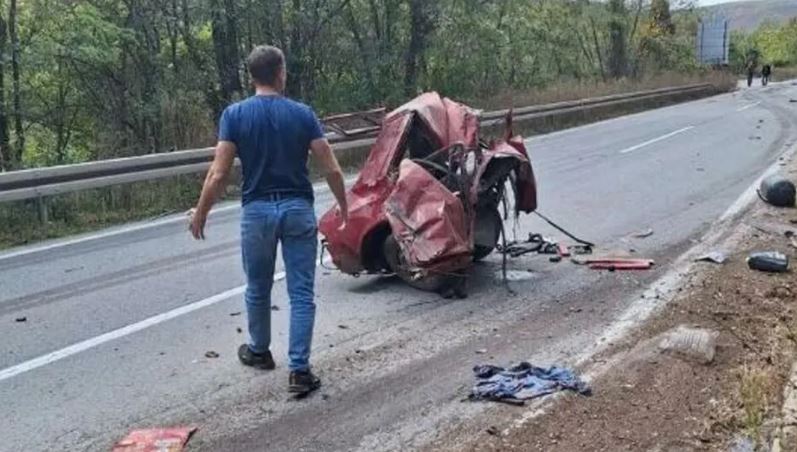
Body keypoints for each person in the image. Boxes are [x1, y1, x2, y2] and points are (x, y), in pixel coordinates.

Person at [189, 45, 349, 395]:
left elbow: (218, 174)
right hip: (296, 209)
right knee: (301, 292)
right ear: (281, 73)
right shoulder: (303, 114)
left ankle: (259, 351)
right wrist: (343, 205)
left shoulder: (234, 115)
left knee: (257, 287)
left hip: (257, 212)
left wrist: (201, 212)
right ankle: (299, 371)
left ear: (251, 77)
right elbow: (331, 166)